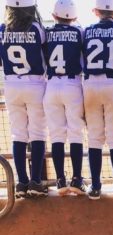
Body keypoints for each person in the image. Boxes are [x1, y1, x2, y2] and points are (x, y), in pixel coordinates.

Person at [83, 0, 113, 200]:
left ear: (95, 11)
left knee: (94, 137)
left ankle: (95, 186)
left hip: (90, 84)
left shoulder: (86, 30)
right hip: (112, 84)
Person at [0, 0, 47, 198]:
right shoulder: (37, 28)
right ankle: (36, 181)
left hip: (11, 84)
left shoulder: (2, 29)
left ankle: (21, 182)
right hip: (35, 84)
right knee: (37, 133)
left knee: (18, 135)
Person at [43, 0, 86, 196]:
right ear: (75, 17)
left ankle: (60, 180)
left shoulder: (46, 32)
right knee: (76, 133)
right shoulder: (79, 32)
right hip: (72, 84)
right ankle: (77, 179)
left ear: (54, 16)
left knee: (57, 135)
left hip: (51, 85)